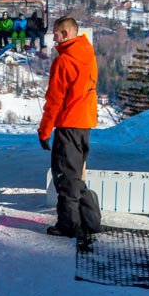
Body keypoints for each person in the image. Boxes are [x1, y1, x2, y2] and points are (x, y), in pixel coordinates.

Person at [37, 17, 102, 239]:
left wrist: (44, 131)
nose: (53, 38)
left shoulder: (64, 61)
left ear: (65, 34)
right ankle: (90, 220)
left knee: (65, 177)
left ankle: (68, 225)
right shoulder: (87, 53)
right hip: (84, 123)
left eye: (55, 34)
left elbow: (54, 99)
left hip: (68, 124)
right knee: (75, 175)